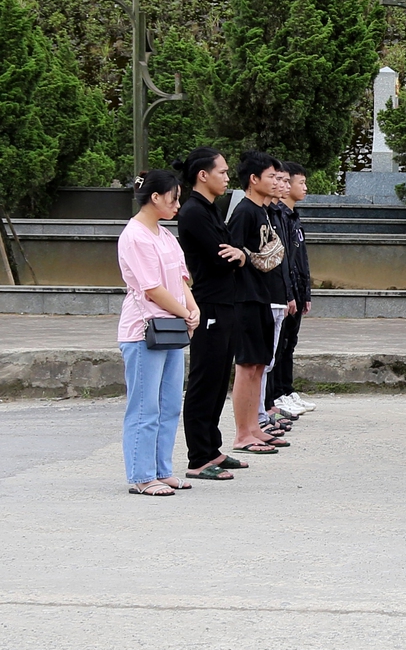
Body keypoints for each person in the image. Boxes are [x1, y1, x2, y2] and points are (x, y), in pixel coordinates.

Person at [117, 169, 199, 496]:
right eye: (173, 197)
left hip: (171, 328)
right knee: (144, 406)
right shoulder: (135, 235)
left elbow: (180, 280)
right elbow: (151, 288)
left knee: (168, 405)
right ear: (155, 198)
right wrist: (186, 312)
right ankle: (141, 475)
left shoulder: (165, 235)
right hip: (143, 330)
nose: (178, 204)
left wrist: (192, 309)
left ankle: (162, 469)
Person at [174, 148, 246, 481]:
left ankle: (212, 448)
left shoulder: (211, 209)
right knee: (205, 381)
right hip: (209, 305)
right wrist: (238, 256)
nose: (227, 177)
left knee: (219, 380)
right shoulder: (192, 212)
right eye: (223, 171)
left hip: (226, 302)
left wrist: (241, 255)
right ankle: (198, 457)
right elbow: (221, 257)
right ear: (203, 175)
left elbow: (235, 249)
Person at [226, 151, 293, 456]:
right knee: (246, 366)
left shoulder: (264, 212)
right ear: (253, 180)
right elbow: (233, 252)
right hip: (246, 297)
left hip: (263, 297)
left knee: (258, 366)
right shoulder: (244, 212)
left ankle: (255, 427)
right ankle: (242, 433)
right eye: (271, 177)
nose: (278, 182)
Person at [266, 163, 314, 419]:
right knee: (278, 346)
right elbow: (281, 259)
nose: (303, 188)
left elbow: (300, 259)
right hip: (283, 292)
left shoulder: (293, 218)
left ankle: (286, 390)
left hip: (295, 288)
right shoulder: (278, 216)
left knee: (289, 343)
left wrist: (305, 292)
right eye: (300, 183)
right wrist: (289, 293)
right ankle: (276, 395)